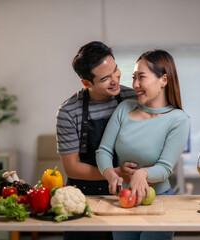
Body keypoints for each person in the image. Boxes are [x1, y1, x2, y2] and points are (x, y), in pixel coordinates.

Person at [96, 49, 190, 240]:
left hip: (160, 200)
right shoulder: (124, 109)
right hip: (123, 200)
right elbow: (104, 150)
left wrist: (142, 173)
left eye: (141, 77)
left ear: (163, 80)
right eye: (133, 77)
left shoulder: (178, 120)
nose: (135, 85)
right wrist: (111, 175)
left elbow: (165, 168)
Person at [56, 41, 138, 240]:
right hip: (84, 199)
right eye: (105, 78)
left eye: (116, 70)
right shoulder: (69, 112)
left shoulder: (132, 98)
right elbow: (72, 168)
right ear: (87, 83)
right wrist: (114, 173)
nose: (115, 80)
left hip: (125, 196)